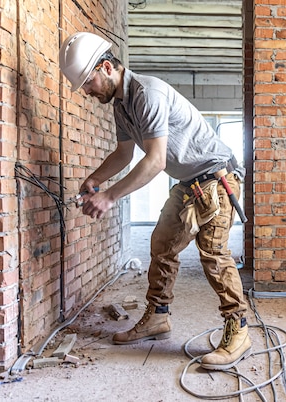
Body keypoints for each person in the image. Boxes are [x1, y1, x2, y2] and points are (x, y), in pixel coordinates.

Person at [58, 32, 251, 370]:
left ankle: (239, 328)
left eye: (88, 83)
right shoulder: (122, 105)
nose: (87, 92)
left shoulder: (147, 93)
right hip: (190, 182)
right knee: (162, 243)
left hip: (216, 176)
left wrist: (109, 196)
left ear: (106, 67)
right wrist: (95, 179)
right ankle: (158, 317)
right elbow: (124, 154)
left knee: (214, 252)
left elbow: (156, 160)